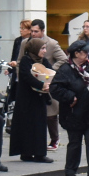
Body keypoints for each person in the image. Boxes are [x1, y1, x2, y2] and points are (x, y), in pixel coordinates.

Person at [51, 41, 89, 176]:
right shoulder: (66, 70)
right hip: (74, 114)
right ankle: (70, 171)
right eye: (85, 52)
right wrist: (70, 97)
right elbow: (55, 88)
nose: (87, 55)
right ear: (76, 53)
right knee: (74, 143)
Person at [10, 38, 53, 163]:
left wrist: (49, 84)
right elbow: (26, 76)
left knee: (39, 125)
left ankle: (40, 153)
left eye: (45, 48)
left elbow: (50, 72)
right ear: (35, 49)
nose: (44, 51)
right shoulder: (25, 60)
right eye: (42, 48)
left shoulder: (43, 61)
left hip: (39, 98)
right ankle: (26, 152)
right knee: (27, 125)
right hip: (26, 98)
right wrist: (41, 85)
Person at [29, 20, 67, 149]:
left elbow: (63, 59)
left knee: (51, 114)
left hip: (48, 81)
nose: (33, 34)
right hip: (32, 81)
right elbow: (19, 61)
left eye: (36, 31)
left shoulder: (51, 43)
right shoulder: (26, 42)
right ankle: (36, 141)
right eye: (32, 31)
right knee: (35, 113)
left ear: (42, 31)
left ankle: (54, 139)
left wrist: (50, 71)